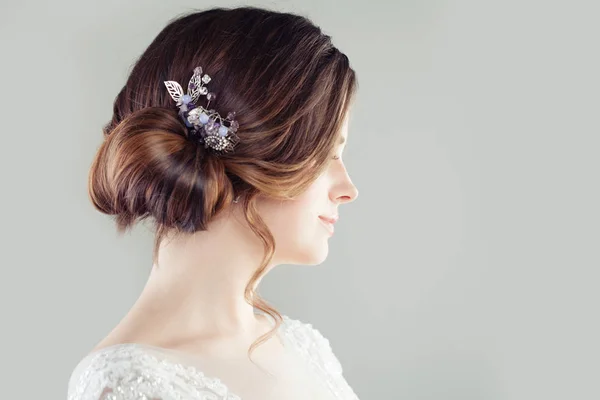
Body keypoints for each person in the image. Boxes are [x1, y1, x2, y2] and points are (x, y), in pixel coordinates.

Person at [67, 6, 360, 400]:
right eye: (327, 156)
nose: (348, 189)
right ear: (258, 152)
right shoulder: (125, 386)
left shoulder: (303, 347)